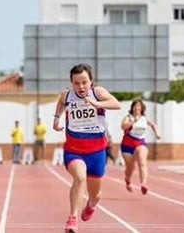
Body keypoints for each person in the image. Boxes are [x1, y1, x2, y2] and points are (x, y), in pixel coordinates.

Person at [52, 63, 121, 233]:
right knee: (80, 178)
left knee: (95, 196)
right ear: (71, 83)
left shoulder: (97, 92)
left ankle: (90, 205)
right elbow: (61, 103)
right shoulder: (67, 95)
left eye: (84, 82)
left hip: (96, 152)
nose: (81, 87)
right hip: (74, 150)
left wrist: (98, 104)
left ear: (91, 81)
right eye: (76, 83)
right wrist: (56, 119)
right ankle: (72, 219)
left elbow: (116, 104)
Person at [120, 99, 162, 195]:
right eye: (135, 106)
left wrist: (157, 133)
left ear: (141, 108)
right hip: (127, 145)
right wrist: (133, 121)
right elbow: (123, 126)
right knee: (130, 168)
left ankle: (143, 184)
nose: (137, 108)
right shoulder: (128, 117)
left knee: (142, 162)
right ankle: (128, 180)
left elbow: (153, 125)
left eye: (139, 106)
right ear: (132, 108)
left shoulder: (144, 118)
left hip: (140, 143)